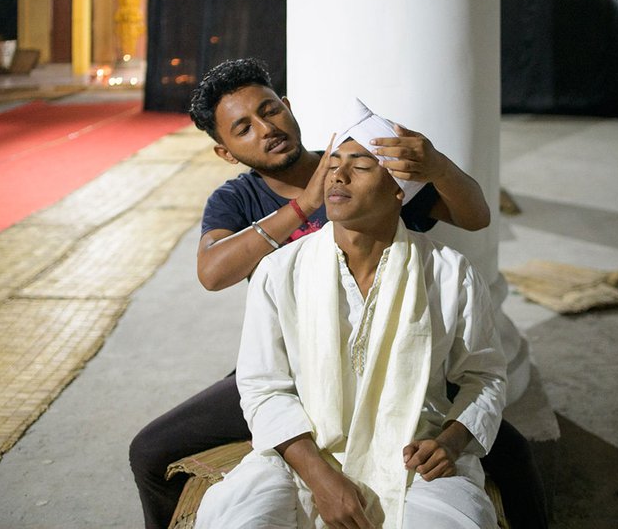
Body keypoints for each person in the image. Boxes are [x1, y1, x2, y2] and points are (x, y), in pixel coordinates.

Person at [129, 58, 547, 528]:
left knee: (512, 455)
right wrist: (304, 203)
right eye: (243, 128)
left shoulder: (365, 169)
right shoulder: (239, 199)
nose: (266, 129)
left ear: (286, 107)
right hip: (299, 358)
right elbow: (212, 271)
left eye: (270, 110)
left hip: (403, 351)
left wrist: (437, 165)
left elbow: (474, 216)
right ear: (226, 151)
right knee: (149, 452)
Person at [195, 124, 507, 529]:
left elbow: (484, 375)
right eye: (332, 166)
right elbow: (262, 386)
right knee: (242, 519)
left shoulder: (450, 273)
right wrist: (320, 476)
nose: (338, 177)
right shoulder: (279, 270)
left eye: (360, 167)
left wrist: (449, 442)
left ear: (400, 192)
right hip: (304, 452)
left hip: (412, 455)